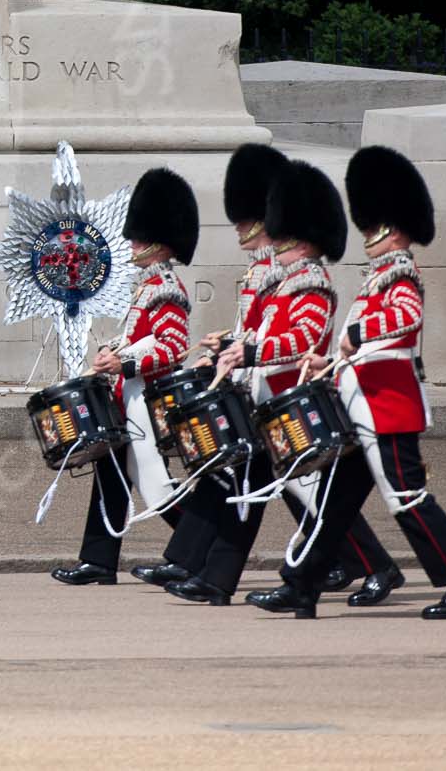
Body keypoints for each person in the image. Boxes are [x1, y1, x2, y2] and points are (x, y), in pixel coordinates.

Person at [248, 146, 446, 620]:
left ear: (394, 228)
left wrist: (355, 338)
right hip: (361, 404)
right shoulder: (377, 275)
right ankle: (302, 585)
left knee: (407, 498)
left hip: (389, 405)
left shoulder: (399, 272)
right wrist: (328, 363)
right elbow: (358, 346)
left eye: (374, 228)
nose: (367, 237)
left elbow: (405, 318)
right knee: (335, 504)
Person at [167, 160, 346, 606]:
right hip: (267, 397)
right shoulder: (285, 283)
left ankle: (368, 564)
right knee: (249, 485)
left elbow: (301, 339)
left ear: (303, 241)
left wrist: (248, 353)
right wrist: (231, 345)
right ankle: (216, 578)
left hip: (294, 399)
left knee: (311, 493)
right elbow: (263, 334)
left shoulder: (311, 284)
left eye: (282, 236)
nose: (273, 242)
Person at [51, 167, 195, 585]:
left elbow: (173, 347)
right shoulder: (147, 287)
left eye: (138, 236)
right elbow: (140, 338)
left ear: (156, 241)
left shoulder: (166, 287)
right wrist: (112, 351)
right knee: (110, 477)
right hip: (126, 396)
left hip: (145, 400)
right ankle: (98, 561)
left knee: (153, 482)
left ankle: (195, 550)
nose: (131, 242)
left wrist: (126, 364)